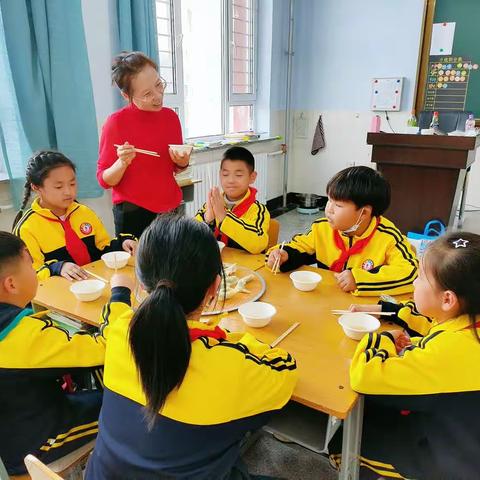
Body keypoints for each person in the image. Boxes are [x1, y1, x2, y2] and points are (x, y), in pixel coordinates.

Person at [86, 215, 297, 479]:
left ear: (142, 283)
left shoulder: (120, 333)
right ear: (215, 287)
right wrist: (231, 337)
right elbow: (286, 369)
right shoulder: (227, 365)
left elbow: (114, 319)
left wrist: (119, 294)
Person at [330, 232, 480, 479]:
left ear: (447, 299)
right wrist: (412, 339)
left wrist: (383, 339)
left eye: (420, 277)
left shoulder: (445, 353)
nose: (414, 284)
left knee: (344, 443)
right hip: (464, 428)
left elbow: (365, 375)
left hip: (450, 461)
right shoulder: (467, 324)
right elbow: (436, 335)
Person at [0, 232, 111, 475]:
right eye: (31, 265)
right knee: (124, 406)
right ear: (11, 284)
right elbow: (102, 348)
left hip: (13, 432)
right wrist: (119, 303)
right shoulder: (24, 336)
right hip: (39, 444)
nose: (37, 272)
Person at [266, 166, 417, 296]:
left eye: (338, 205)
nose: (328, 209)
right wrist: (283, 255)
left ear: (364, 213)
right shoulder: (322, 228)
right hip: (328, 302)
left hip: (363, 312)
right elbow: (299, 247)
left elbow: (412, 274)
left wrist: (359, 280)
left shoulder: (388, 237)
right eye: (329, 200)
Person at [97, 51, 190, 239]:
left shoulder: (171, 118)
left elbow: (172, 166)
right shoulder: (116, 123)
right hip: (134, 214)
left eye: (158, 85)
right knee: (140, 268)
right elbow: (104, 180)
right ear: (126, 95)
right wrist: (121, 163)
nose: (158, 96)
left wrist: (182, 162)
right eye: (147, 94)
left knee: (175, 266)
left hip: (170, 208)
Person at [13, 151, 136, 281]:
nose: (68, 192)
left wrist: (123, 243)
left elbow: (103, 248)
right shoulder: (27, 228)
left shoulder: (84, 212)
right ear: (36, 187)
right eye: (58, 187)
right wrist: (59, 267)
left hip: (94, 285)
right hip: (57, 294)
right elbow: (31, 273)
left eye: (72, 184)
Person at [195, 146, 270, 254]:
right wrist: (208, 221)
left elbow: (259, 243)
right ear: (220, 175)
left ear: (252, 177)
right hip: (216, 265)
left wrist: (224, 217)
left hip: (246, 268)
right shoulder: (212, 204)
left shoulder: (258, 210)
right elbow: (190, 237)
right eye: (225, 174)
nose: (230, 180)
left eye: (238, 175)